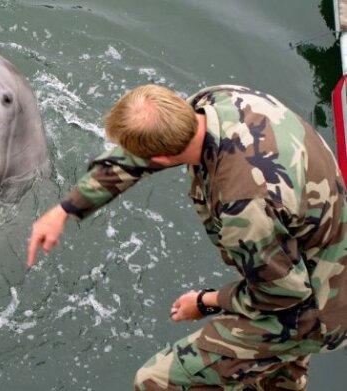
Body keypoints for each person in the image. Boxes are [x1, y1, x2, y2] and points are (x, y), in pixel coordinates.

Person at [26, 84, 347, 390]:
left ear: (163, 160)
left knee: (157, 381)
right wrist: (65, 209)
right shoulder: (215, 101)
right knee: (274, 374)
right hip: (315, 250)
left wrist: (205, 302)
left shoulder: (243, 208)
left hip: (317, 311)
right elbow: (138, 155)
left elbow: (282, 297)